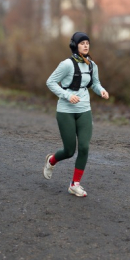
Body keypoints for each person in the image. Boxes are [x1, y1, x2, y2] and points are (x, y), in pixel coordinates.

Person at [44, 32, 109, 197]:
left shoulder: (92, 65)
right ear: (75, 45)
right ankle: (51, 160)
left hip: (84, 110)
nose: (86, 45)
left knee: (84, 147)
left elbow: (95, 83)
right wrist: (67, 95)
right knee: (69, 150)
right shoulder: (66, 64)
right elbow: (50, 82)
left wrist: (101, 90)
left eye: (87, 43)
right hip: (65, 111)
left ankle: (74, 184)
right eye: (82, 43)